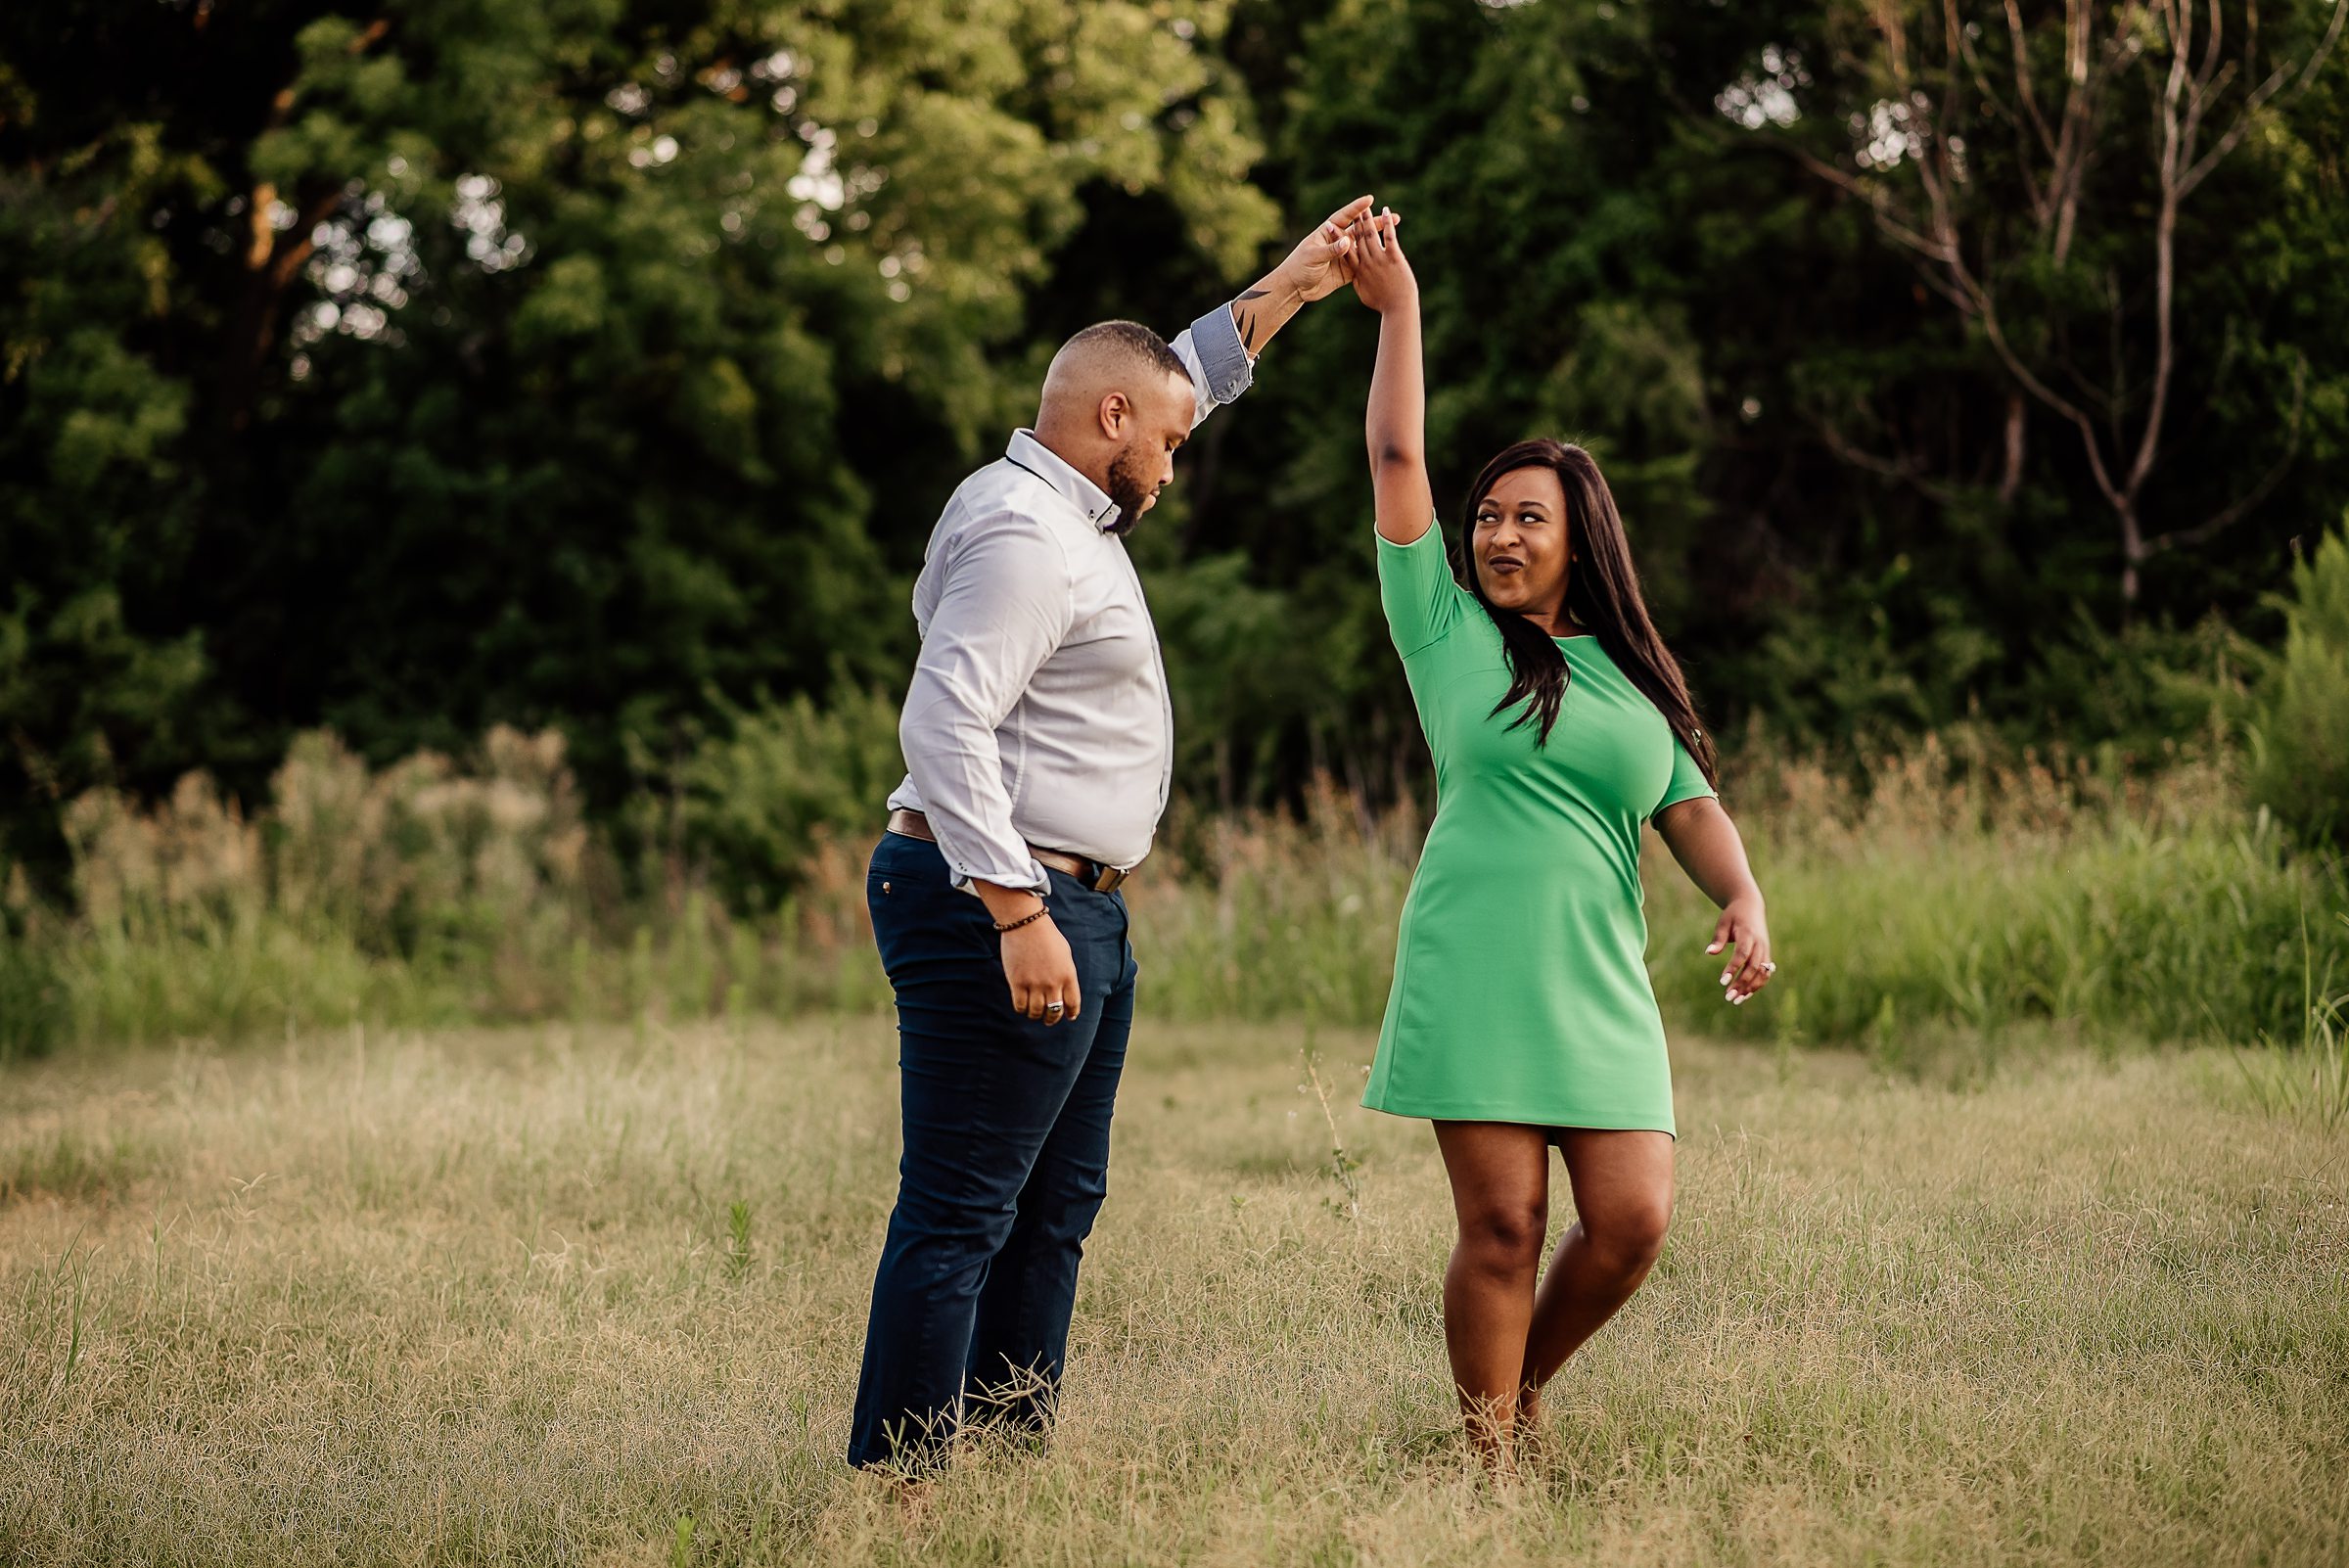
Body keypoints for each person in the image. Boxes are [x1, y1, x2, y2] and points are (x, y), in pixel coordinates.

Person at [847, 196, 1379, 1473]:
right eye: (1171, 443)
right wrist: (1017, 908)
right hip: (1005, 899)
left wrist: (1299, 283)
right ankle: (905, 1498)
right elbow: (944, 719)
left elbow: (1182, 372)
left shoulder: (1074, 495)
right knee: (965, 1208)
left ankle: (1009, 1470)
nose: (1178, 463)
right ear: (1110, 423)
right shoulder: (1025, 534)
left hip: (1080, 901)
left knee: (1052, 1210)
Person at [1344, 208, 1778, 1464]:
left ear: (1580, 534)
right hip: (1475, 961)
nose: (1497, 534)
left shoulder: (1635, 681)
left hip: (1596, 979)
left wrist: (1741, 896)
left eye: (1526, 517)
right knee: (1503, 1228)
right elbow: (1394, 457)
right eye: (1487, 516)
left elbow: (1688, 804)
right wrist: (1400, 311)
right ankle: (1492, 1465)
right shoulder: (1445, 632)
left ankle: (1517, 1386)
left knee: (1632, 1220)